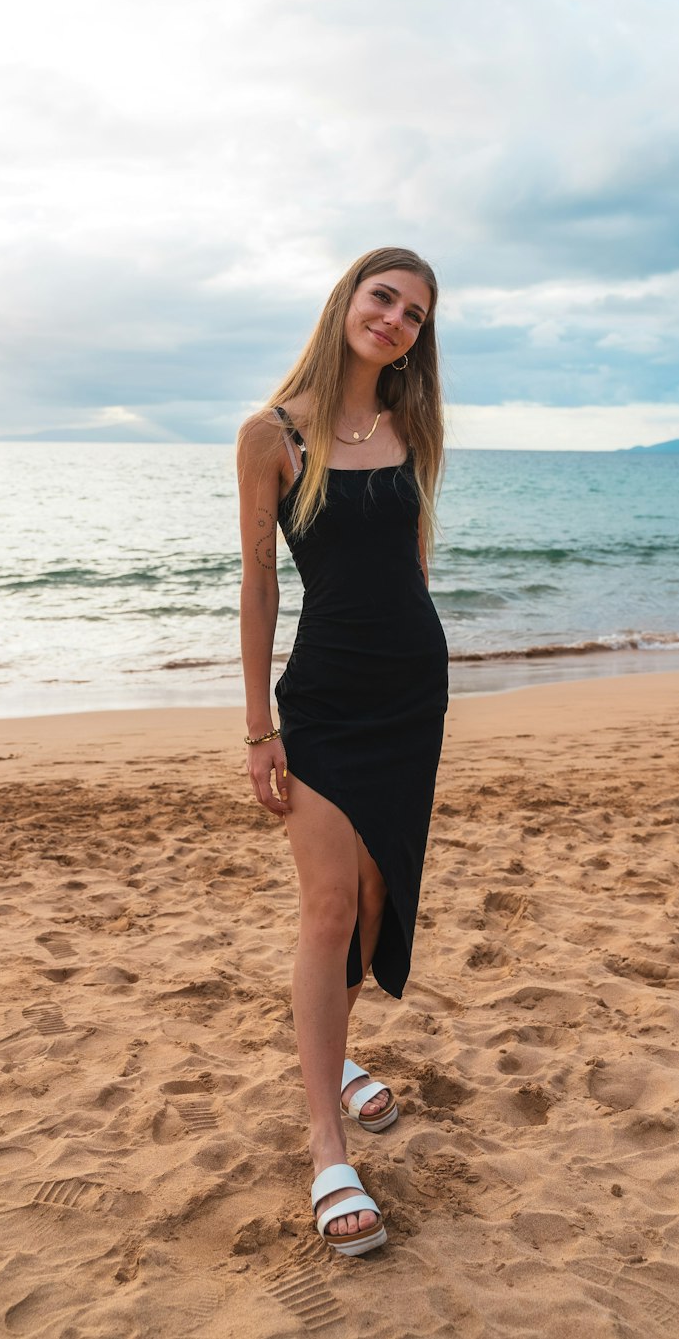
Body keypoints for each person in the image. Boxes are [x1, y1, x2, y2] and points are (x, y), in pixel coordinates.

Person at [236, 247, 448, 1256]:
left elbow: (410, 565)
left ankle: (339, 1060)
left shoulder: (412, 428)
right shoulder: (271, 436)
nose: (396, 320)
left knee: (369, 901)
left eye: (414, 314)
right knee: (327, 907)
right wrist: (257, 727)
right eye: (384, 298)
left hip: (410, 695)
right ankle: (326, 1139)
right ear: (346, 301)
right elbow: (261, 588)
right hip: (322, 700)